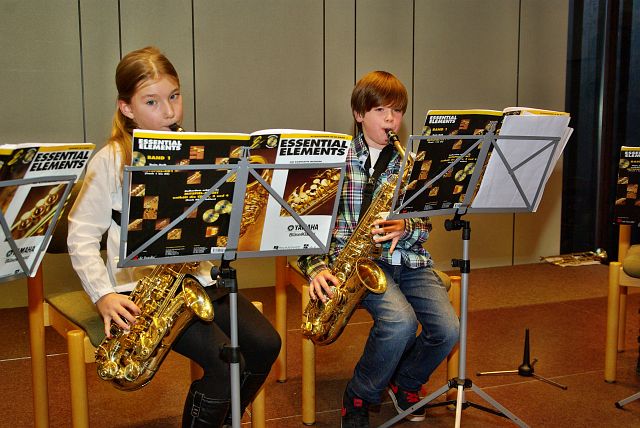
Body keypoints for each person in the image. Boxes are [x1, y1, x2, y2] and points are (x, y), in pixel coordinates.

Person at [67, 46, 281, 428]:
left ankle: (221, 419)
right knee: (223, 364)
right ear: (126, 108)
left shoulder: (197, 151)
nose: (169, 112)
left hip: (196, 277)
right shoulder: (111, 159)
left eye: (174, 97)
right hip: (139, 289)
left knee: (266, 344)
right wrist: (103, 295)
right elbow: (80, 235)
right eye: (152, 102)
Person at [298, 70, 459, 427]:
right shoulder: (334, 161)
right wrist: (316, 267)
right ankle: (360, 395)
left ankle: (406, 382)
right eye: (380, 110)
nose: (390, 120)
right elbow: (306, 225)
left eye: (397, 111)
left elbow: (425, 225)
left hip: (410, 261)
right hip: (358, 265)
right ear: (359, 113)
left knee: (448, 330)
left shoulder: (411, 164)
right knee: (400, 324)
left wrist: (406, 226)